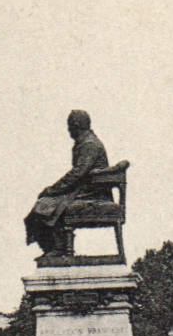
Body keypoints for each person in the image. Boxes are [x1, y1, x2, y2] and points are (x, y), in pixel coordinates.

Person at [24, 109, 110, 259]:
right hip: (84, 189)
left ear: (76, 126)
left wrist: (53, 189)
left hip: (92, 192)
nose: (68, 130)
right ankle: (55, 247)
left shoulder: (90, 144)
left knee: (45, 206)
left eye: (70, 126)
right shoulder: (85, 142)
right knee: (44, 204)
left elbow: (78, 173)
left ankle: (58, 248)